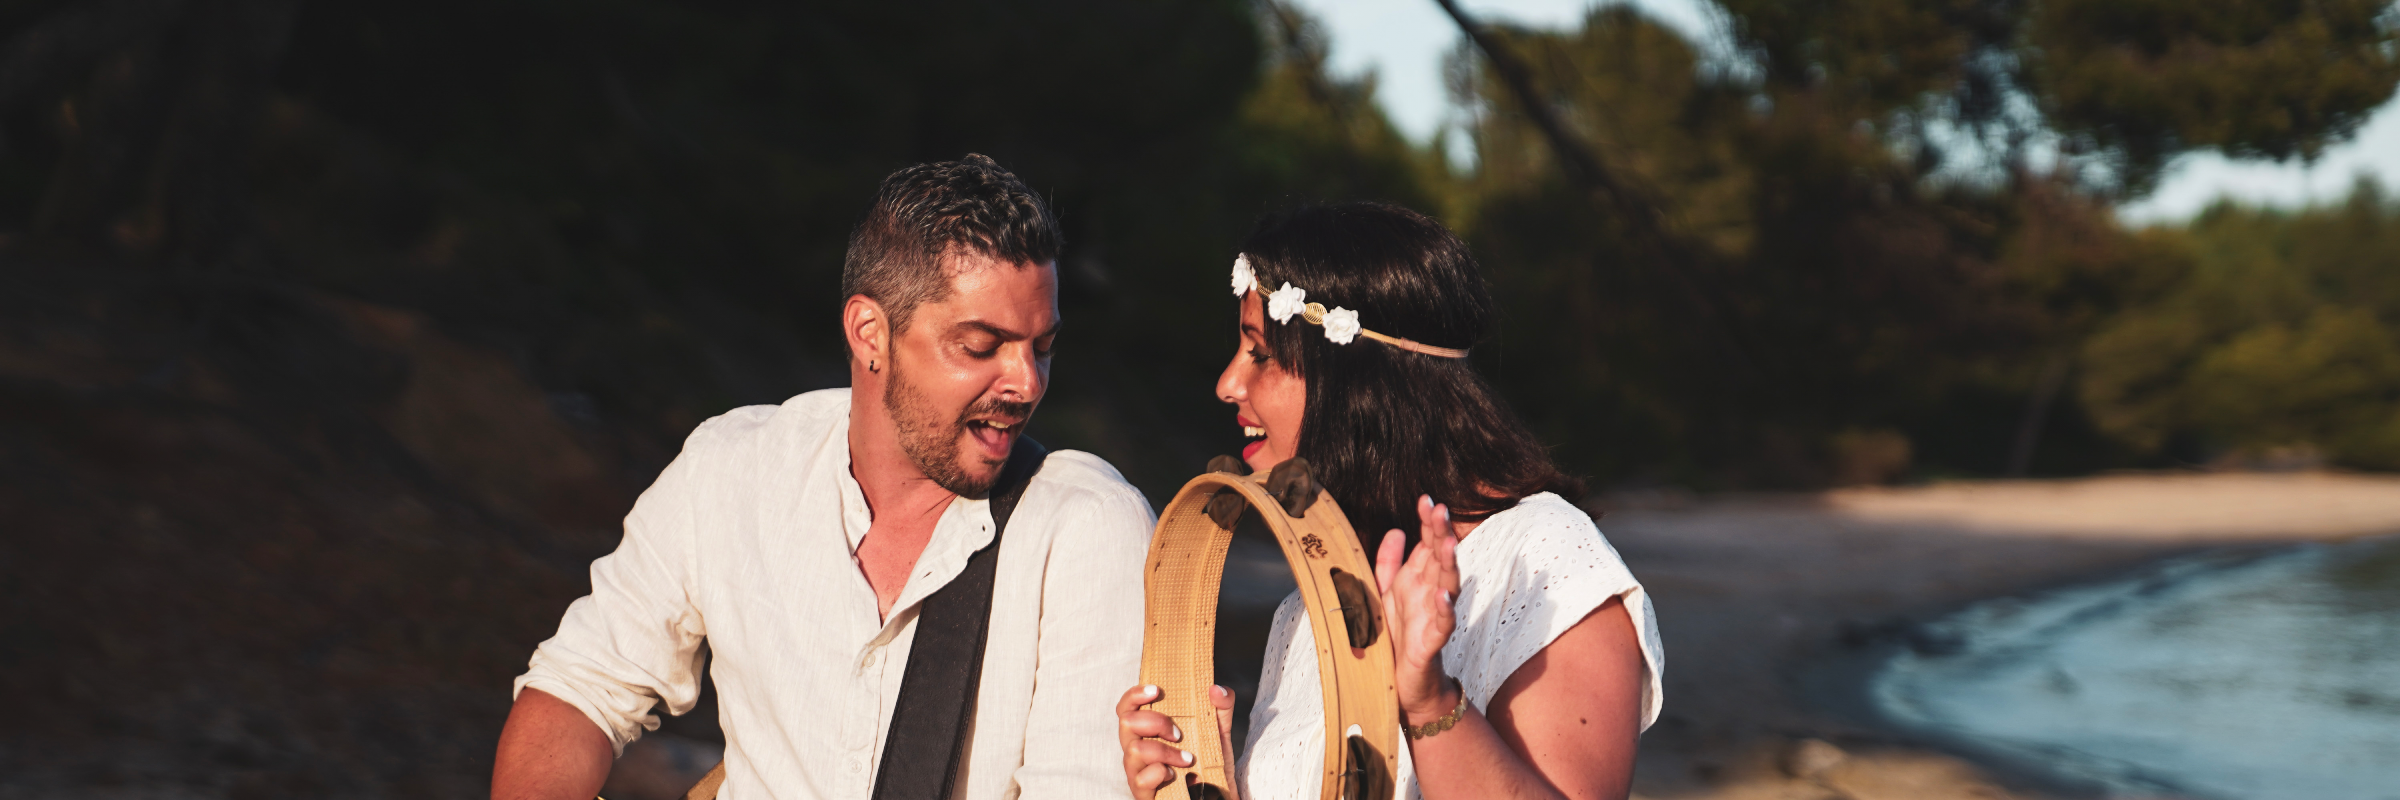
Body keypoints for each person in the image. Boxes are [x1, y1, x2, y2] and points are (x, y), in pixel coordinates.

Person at [493, 155, 1157, 800]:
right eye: (979, 347)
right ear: (871, 333)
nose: (1026, 383)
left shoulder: (1085, 530)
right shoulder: (731, 469)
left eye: (1042, 348)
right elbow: (581, 687)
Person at [1116, 202, 1664, 800]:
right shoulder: (1308, 604)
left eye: (1262, 354)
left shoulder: (1548, 564)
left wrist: (1428, 701)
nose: (1227, 384)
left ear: (1358, 382)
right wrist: (1211, 776)